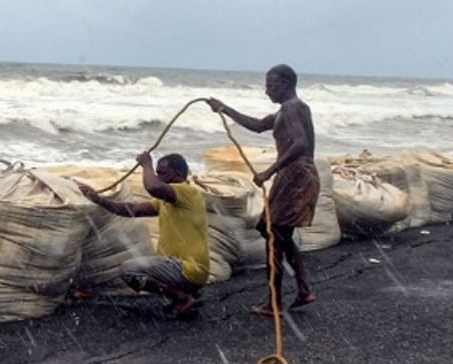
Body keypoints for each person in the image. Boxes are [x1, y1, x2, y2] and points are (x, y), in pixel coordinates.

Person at [207, 63, 318, 316]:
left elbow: (300, 143)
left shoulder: (292, 107)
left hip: (296, 174)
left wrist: (269, 171)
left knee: (273, 233)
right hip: (292, 175)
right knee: (273, 232)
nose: (267, 91)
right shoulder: (285, 111)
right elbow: (257, 125)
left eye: (271, 85)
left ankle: (276, 301)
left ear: (287, 84)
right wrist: (224, 109)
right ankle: (301, 290)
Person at [76, 151, 209, 319]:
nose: (157, 176)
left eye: (162, 173)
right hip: (182, 269)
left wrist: (147, 164)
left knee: (129, 270)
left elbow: (153, 187)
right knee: (143, 265)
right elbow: (133, 210)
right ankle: (185, 296)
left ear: (178, 174)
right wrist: (99, 200)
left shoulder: (186, 191)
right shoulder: (168, 200)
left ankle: (182, 298)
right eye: (157, 173)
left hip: (188, 268)